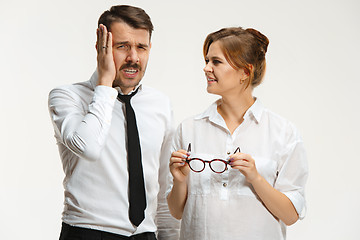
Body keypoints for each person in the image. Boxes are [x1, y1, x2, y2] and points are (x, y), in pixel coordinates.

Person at [48, 5, 179, 240]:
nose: (133, 58)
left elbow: (164, 183)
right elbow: (88, 146)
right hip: (88, 232)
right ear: (101, 48)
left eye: (141, 47)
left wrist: (169, 236)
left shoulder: (160, 104)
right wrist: (105, 83)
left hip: (145, 234)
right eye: (122, 47)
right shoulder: (68, 97)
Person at [167, 27, 308, 240]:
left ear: (245, 72)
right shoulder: (188, 129)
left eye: (216, 62)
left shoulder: (283, 133)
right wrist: (179, 180)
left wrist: (255, 178)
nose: (206, 68)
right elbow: (177, 212)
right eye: (206, 61)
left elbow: (290, 215)